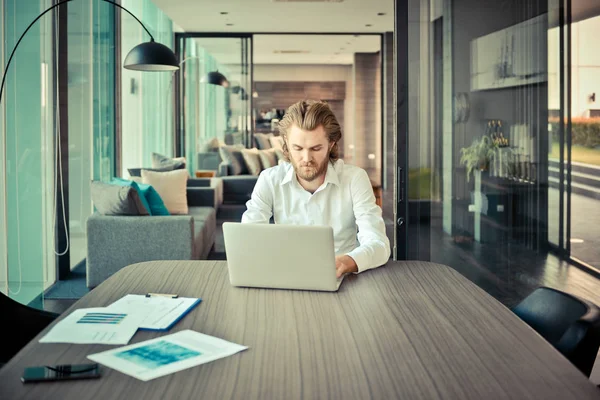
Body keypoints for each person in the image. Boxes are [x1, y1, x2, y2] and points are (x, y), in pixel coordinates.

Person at [242, 100, 390, 277]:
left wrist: (348, 261)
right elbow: (249, 237)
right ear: (286, 143)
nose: (306, 158)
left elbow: (378, 244)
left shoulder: (354, 179)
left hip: (343, 279)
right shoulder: (269, 179)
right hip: (285, 277)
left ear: (331, 144)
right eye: (297, 148)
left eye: (316, 148)